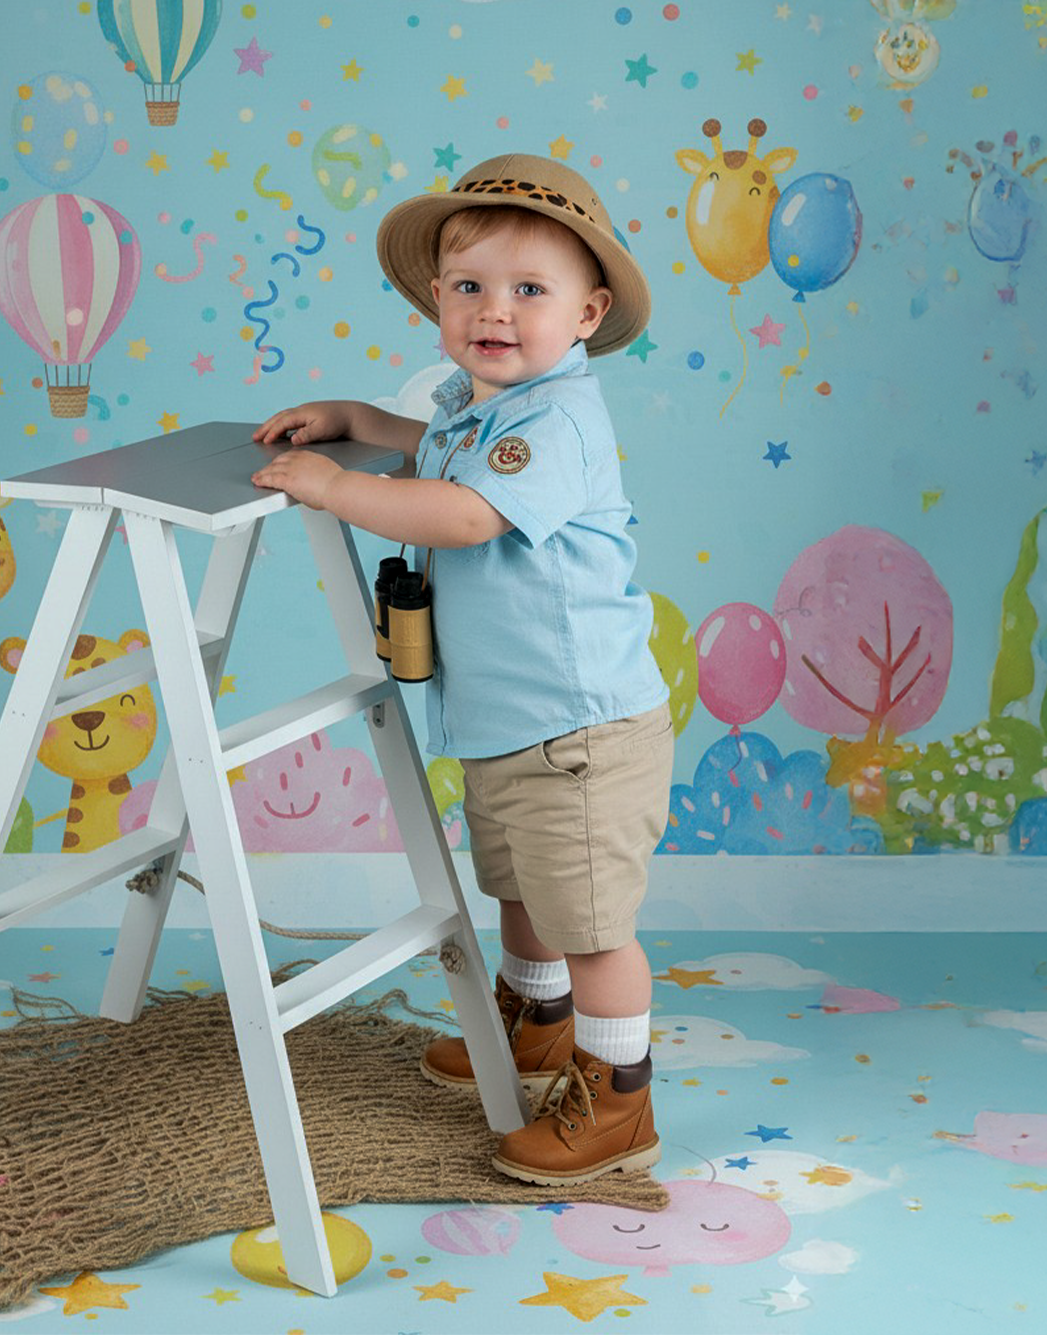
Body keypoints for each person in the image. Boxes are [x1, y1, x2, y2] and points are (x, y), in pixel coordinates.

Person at [250, 154, 673, 1186]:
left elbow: (465, 512)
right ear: (436, 298)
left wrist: (336, 485)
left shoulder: (557, 421)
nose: (496, 311)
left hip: (578, 725)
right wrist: (358, 420)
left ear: (587, 313)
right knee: (519, 887)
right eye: (471, 287)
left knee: (589, 923)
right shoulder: (472, 402)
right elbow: (439, 452)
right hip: (506, 715)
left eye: (530, 291)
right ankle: (534, 1024)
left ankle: (619, 1101)